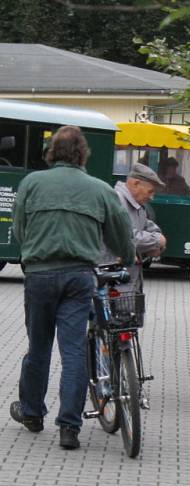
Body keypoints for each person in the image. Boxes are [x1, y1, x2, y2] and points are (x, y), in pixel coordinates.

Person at [9, 125, 135, 450]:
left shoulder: (32, 183)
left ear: (51, 153)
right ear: (83, 154)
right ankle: (69, 427)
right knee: (74, 351)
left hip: (39, 275)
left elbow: (20, 230)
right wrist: (128, 256)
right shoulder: (99, 189)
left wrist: (34, 253)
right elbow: (121, 233)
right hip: (79, 276)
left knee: (38, 347)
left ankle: (32, 413)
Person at [102, 163, 167, 292]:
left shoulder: (137, 205)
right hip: (115, 281)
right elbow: (127, 236)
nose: (152, 197)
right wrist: (156, 241)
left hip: (128, 281)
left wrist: (155, 243)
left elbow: (150, 227)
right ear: (136, 184)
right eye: (150, 191)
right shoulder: (118, 201)